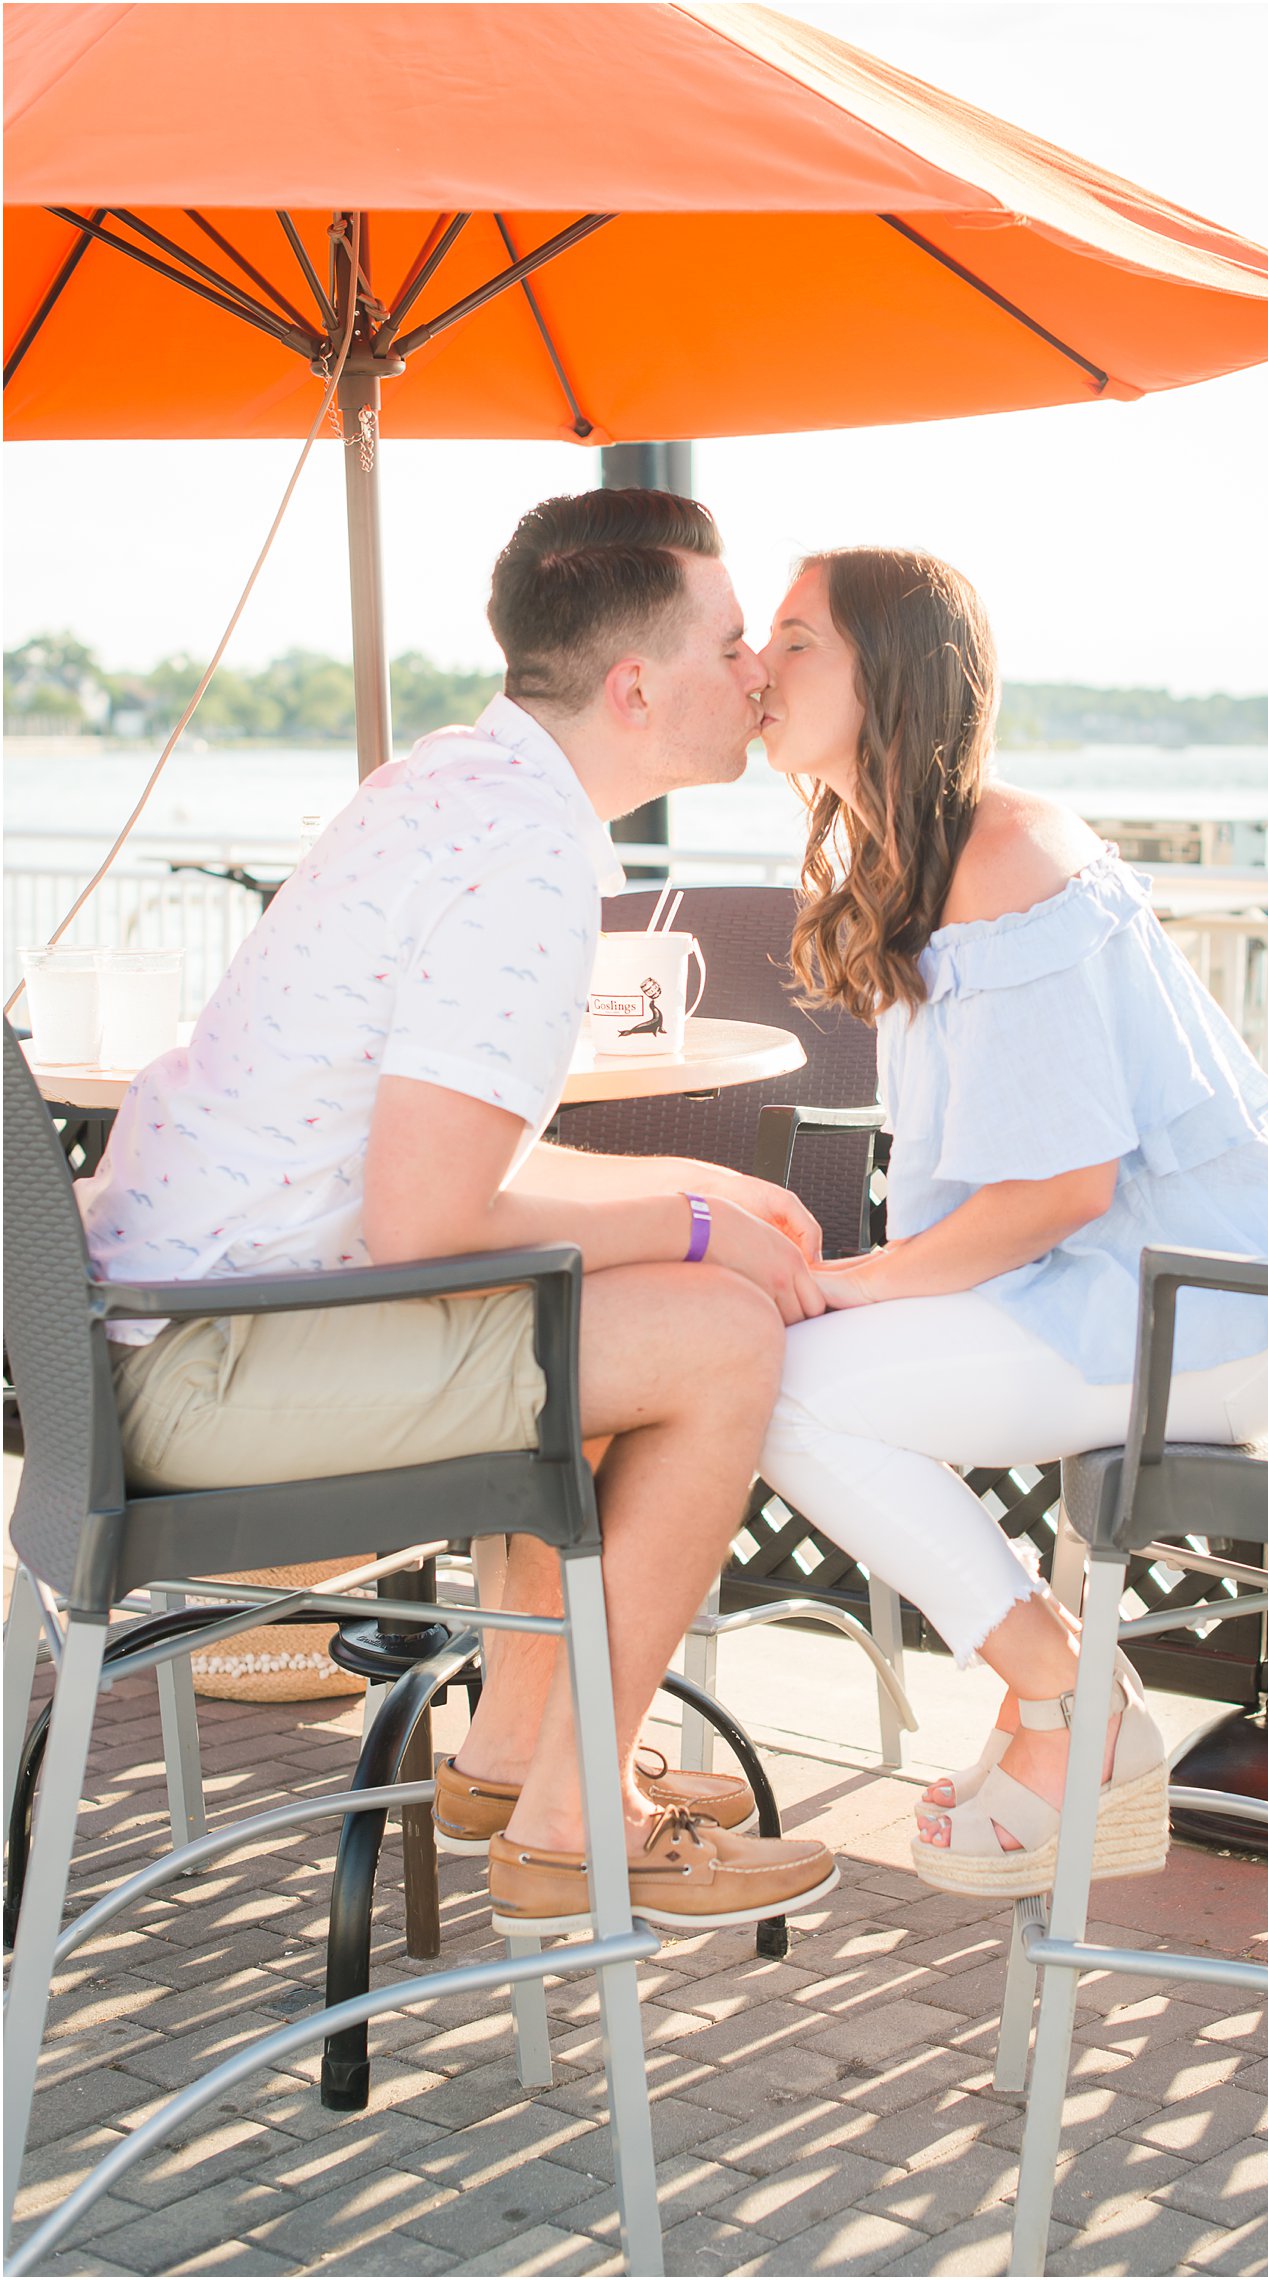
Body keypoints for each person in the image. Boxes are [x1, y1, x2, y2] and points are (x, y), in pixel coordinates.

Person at [76, 488, 840, 1937]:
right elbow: (432, 1222)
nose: (757, 675)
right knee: (720, 1340)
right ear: (636, 685)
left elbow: (442, 1192)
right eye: (734, 644)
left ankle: (510, 1762)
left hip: (150, 1334)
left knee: (625, 1318)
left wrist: (692, 1193)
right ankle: (572, 1823)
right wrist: (694, 1231)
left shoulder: (452, 783)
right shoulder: (528, 854)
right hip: (206, 1371)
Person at [752, 546, 1268, 1897]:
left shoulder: (1003, 852)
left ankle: (1064, 1704)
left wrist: (866, 1282)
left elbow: (1062, 1190)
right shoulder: (919, 851)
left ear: (889, 674)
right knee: (783, 1367)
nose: (757, 664)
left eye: (796, 639)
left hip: (1199, 1310)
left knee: (784, 1385)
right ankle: (1051, 1704)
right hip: (1118, 1293)